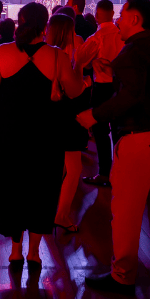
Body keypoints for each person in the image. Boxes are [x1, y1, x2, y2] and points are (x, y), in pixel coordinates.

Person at [76, 0, 150, 293]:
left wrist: (94, 115)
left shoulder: (133, 52)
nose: (118, 20)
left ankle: (123, 274)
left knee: (126, 209)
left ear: (135, 19)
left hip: (142, 138)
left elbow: (130, 96)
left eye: (122, 15)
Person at [0, 3, 84, 271]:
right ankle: (34, 253)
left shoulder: (4, 51)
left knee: (14, 190)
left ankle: (14, 251)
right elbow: (76, 92)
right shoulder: (56, 56)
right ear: (45, 25)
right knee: (42, 191)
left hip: (13, 136)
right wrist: (79, 65)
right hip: (47, 138)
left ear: (20, 23)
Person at [46, 13, 88, 233]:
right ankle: (61, 215)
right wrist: (81, 68)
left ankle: (49, 210)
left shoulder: (45, 52)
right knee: (73, 169)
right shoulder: (66, 54)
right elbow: (74, 91)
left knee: (55, 165)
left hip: (49, 114)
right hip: (67, 115)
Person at [77, 0, 126, 188]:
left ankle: (105, 173)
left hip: (102, 87)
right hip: (121, 87)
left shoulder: (98, 36)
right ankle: (121, 172)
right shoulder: (122, 34)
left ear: (97, 15)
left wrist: (90, 63)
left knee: (100, 131)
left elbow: (81, 59)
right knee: (120, 131)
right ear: (113, 14)